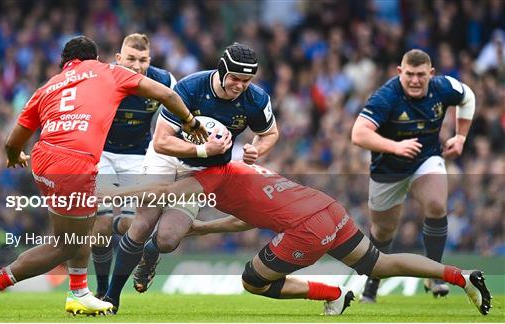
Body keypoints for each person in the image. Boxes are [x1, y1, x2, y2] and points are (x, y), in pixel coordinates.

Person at [0, 35, 207, 318]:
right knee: (66, 245)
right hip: (74, 164)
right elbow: (167, 95)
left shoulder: (48, 86)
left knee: (82, 228)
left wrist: (14, 157)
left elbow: (12, 142)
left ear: (66, 62)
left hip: (44, 161)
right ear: (95, 58)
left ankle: (78, 293)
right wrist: (191, 122)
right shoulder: (108, 71)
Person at [106, 161, 492, 316]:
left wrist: (109, 196)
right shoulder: (245, 167)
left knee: (252, 281)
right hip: (327, 208)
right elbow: (247, 219)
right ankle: (462, 275)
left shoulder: (209, 175)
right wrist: (204, 228)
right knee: (379, 264)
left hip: (307, 228)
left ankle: (333, 296)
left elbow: (157, 193)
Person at [104, 42, 279, 312]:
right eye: (234, 78)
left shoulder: (256, 99)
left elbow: (269, 133)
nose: (240, 85)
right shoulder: (190, 88)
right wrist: (202, 148)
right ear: (221, 71)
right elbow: (162, 142)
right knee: (142, 223)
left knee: (168, 240)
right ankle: (111, 298)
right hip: (165, 159)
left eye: (246, 80)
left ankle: (151, 255)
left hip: (202, 171)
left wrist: (257, 148)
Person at [351, 49, 476, 302]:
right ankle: (371, 286)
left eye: (421, 75)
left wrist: (461, 137)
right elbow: (358, 134)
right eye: (409, 74)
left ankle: (434, 274)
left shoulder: (444, 88)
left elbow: (468, 97)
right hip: (388, 169)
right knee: (384, 230)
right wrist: (395, 147)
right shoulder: (386, 96)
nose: (415, 80)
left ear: (431, 74)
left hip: (425, 158)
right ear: (400, 72)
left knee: (437, 204)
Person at [91, 33, 177, 298]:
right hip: (103, 152)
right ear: (119, 58)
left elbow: (175, 116)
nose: (137, 66)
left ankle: (135, 261)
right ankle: (102, 289)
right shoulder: (102, 79)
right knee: (102, 222)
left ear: (149, 60)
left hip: (139, 156)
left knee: (131, 226)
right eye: (130, 59)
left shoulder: (164, 81)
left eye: (142, 60)